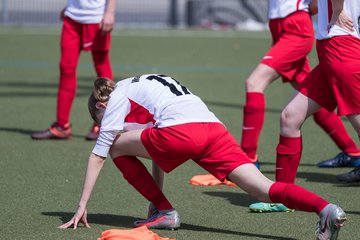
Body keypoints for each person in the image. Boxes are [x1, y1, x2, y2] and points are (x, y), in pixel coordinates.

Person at [58, 75, 346, 239]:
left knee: (113, 146)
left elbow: (99, 154)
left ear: (100, 104)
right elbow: (158, 149)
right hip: (213, 129)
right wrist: (155, 199)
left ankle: (166, 213)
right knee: (265, 189)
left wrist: (82, 205)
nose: (109, 124)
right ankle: (326, 210)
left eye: (101, 118)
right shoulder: (140, 90)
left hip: (182, 132)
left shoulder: (118, 96)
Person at [240, 0, 360, 171]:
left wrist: (336, 10)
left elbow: (315, 5)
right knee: (304, 104)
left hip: (297, 27)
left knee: (254, 83)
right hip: (283, 27)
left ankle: (247, 158)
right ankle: (351, 151)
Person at [275, 0, 360, 186]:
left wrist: (337, 9)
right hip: (333, 49)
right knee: (290, 117)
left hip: (342, 46)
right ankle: (283, 194)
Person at [31, 0, 116, 141]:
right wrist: (72, 6)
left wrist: (110, 12)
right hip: (72, 18)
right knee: (66, 68)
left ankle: (104, 124)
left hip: (97, 17)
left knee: (102, 68)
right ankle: (62, 126)